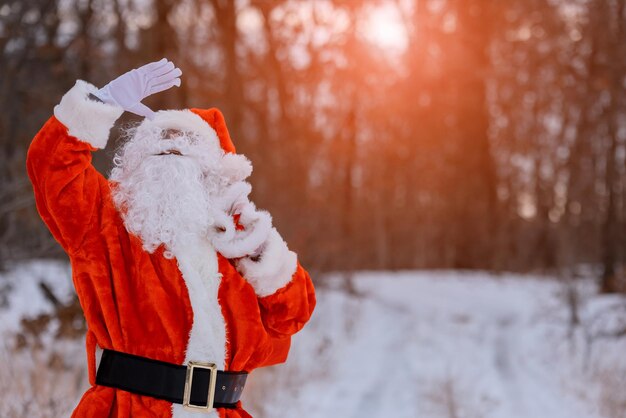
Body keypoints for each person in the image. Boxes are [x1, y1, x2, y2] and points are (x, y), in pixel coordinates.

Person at [26, 59, 316, 418]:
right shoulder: (105, 223)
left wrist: (255, 239)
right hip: (128, 410)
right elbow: (52, 167)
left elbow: (292, 315)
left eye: (186, 146)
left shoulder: (237, 242)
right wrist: (104, 102)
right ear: (133, 159)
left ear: (215, 169)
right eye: (159, 144)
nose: (171, 149)